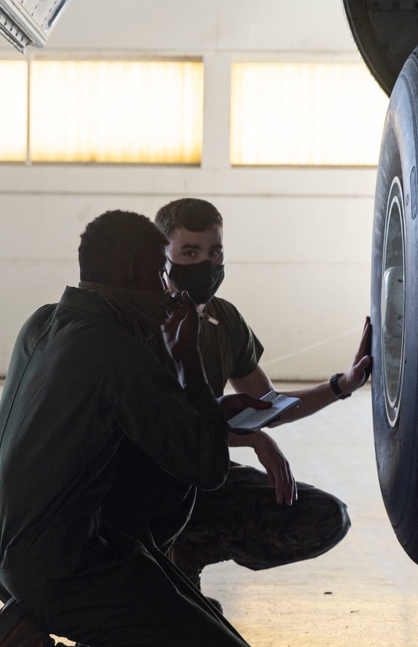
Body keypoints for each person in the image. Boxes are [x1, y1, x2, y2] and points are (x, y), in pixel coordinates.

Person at [0, 210, 280, 647]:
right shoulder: (116, 353)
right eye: (161, 278)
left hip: (2, 555)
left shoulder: (44, 322)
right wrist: (188, 363)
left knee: (209, 625)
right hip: (62, 569)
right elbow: (207, 465)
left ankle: (39, 624)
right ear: (131, 274)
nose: (169, 297)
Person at [154, 198, 371, 603]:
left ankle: (189, 553)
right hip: (145, 483)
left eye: (214, 251)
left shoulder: (225, 320)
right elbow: (161, 426)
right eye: (190, 252)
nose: (206, 263)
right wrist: (250, 440)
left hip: (202, 478)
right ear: (162, 255)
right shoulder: (144, 321)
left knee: (326, 518)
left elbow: (265, 405)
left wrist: (343, 384)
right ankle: (153, 569)